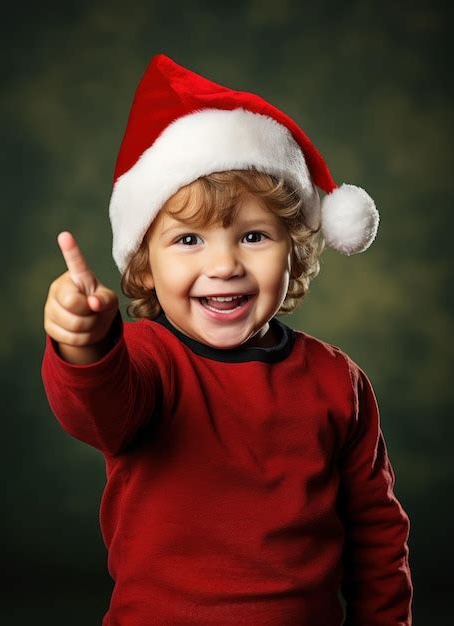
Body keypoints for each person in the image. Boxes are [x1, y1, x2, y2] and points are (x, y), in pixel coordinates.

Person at [41, 53, 413, 625]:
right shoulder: (146, 362)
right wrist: (86, 346)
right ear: (144, 265)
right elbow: (97, 407)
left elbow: (376, 534)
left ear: (296, 250)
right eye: (188, 240)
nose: (224, 265)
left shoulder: (338, 382)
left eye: (255, 236)